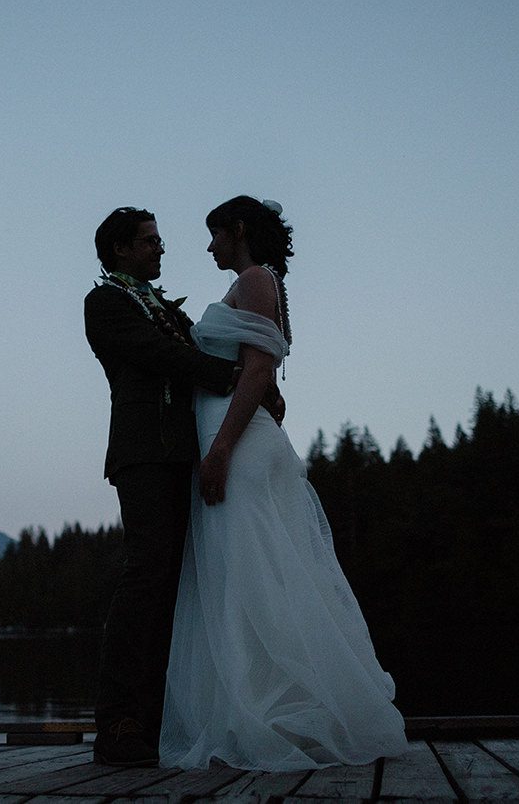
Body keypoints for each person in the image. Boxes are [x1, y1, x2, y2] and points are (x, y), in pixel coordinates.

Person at [159, 196, 408, 770]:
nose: (209, 247)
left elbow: (258, 369)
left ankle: (270, 717)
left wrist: (220, 450)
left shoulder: (254, 279)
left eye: (215, 234)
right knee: (251, 576)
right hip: (238, 438)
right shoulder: (261, 283)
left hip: (238, 447)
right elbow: (260, 370)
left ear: (238, 229)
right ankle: (264, 713)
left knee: (251, 577)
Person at [84, 206, 284, 767]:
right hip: (144, 454)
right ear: (120, 249)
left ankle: (157, 723)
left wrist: (258, 385)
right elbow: (162, 355)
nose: (161, 247)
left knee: (178, 587)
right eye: (149, 240)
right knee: (145, 576)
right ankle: (117, 724)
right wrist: (234, 377)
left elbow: (203, 349)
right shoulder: (106, 303)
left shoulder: (167, 308)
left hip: (185, 455)